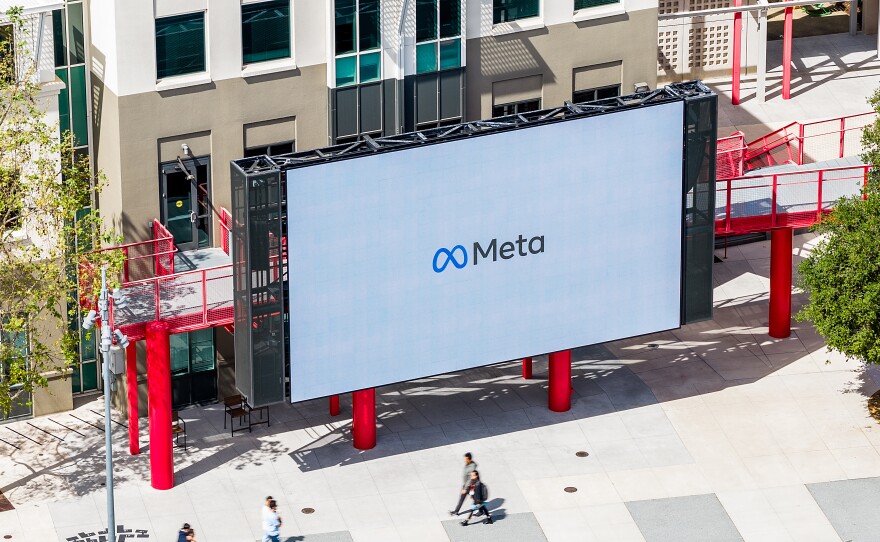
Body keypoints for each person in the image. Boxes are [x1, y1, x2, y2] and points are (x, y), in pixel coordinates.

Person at [449, 452, 478, 516]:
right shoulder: (468, 464)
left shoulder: (471, 468)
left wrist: (465, 488)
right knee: (475, 499)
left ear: (469, 459)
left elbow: (470, 479)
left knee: (475, 499)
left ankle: (456, 511)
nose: (464, 460)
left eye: (466, 459)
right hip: (466, 485)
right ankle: (456, 511)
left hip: (469, 486)